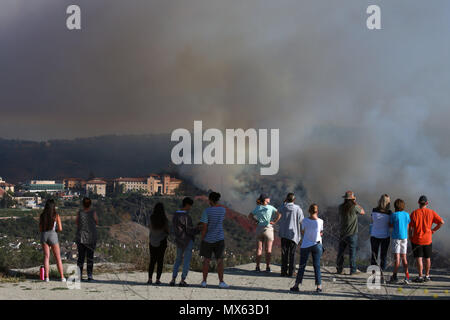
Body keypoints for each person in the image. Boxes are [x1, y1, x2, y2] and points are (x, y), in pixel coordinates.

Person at [409, 195, 444, 283]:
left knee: (419, 258)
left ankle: (420, 276)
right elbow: (441, 222)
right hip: (428, 239)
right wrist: (433, 230)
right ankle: (427, 275)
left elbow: (410, 227)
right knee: (427, 258)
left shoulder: (414, 213)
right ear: (427, 203)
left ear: (418, 203)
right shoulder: (431, 212)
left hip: (416, 239)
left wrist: (410, 236)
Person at [290, 204, 324, 293]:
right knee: (317, 266)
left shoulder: (304, 220)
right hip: (317, 245)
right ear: (317, 211)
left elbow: (303, 232)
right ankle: (319, 286)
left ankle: (296, 285)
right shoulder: (321, 221)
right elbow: (321, 233)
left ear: (309, 211)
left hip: (306, 245)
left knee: (302, 266)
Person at [199, 191, 229, 288]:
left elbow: (204, 227)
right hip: (219, 238)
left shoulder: (206, 211)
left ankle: (204, 281)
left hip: (208, 239)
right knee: (220, 261)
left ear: (210, 200)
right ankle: (221, 282)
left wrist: (202, 238)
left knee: (206, 260)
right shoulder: (222, 210)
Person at [170, 197, 201, 287]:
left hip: (179, 240)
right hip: (187, 241)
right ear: (187, 205)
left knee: (178, 260)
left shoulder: (175, 215)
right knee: (186, 261)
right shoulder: (186, 216)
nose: (190, 208)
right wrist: (198, 229)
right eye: (190, 206)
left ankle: (173, 279)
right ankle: (182, 280)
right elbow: (189, 230)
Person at [248, 194, 281, 272]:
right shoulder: (271, 207)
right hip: (268, 229)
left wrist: (255, 221)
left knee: (259, 249)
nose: (269, 199)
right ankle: (268, 267)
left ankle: (257, 267)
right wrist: (275, 221)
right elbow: (279, 214)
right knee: (268, 249)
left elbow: (249, 216)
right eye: (268, 198)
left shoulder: (258, 208)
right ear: (265, 200)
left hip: (259, 229)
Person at [336, 191, 365, 275]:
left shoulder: (340, 207)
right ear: (353, 199)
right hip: (352, 233)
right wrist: (355, 202)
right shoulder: (355, 207)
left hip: (343, 233)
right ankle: (353, 270)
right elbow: (363, 212)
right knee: (352, 253)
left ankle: (339, 269)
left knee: (341, 252)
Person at [39, 199, 66, 282]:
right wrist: (55, 232)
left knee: (46, 256)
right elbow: (60, 228)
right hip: (53, 235)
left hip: (44, 235)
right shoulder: (56, 215)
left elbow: (40, 228)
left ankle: (46, 277)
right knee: (58, 257)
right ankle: (62, 277)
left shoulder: (42, 215)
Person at [278, 192, 304, 277]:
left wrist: (284, 202)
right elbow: (301, 221)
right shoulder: (298, 209)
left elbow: (278, 212)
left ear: (287, 199)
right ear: (294, 200)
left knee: (284, 253)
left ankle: (283, 271)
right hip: (293, 234)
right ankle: (292, 272)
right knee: (292, 253)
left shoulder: (282, 207)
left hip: (284, 233)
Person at [76, 197, 98, 282]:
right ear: (90, 204)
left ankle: (79, 275)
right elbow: (96, 221)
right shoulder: (93, 212)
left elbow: (77, 222)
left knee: (80, 257)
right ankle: (89, 275)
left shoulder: (80, 213)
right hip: (91, 237)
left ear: (83, 204)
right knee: (90, 257)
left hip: (81, 236)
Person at [389, 198, 411, 284]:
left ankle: (394, 276)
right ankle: (407, 277)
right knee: (404, 258)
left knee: (397, 258)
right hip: (404, 237)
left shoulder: (394, 215)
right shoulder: (406, 215)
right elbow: (408, 226)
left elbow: (390, 225)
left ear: (395, 206)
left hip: (396, 237)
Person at [370, 194, 392, 277]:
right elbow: (390, 225)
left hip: (374, 235)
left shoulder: (374, 210)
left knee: (374, 255)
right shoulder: (389, 213)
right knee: (383, 255)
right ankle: (382, 273)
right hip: (385, 236)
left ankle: (373, 273)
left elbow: (372, 221)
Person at [147, 202, 169, 285]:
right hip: (162, 241)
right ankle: (157, 279)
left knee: (152, 261)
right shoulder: (164, 219)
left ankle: (149, 279)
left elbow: (149, 227)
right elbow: (167, 231)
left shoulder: (151, 218)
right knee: (160, 261)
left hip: (152, 241)